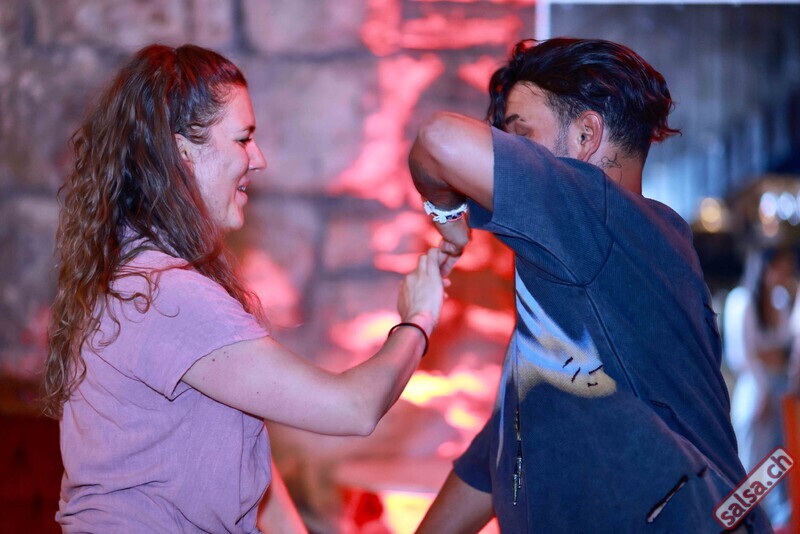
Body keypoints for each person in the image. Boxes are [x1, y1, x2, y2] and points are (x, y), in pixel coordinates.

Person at [43, 43, 445, 533]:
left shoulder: (135, 279)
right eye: (243, 139)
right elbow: (355, 407)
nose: (259, 159)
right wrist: (418, 320)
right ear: (182, 152)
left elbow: (254, 474)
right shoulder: (165, 297)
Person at [409, 38, 771, 532]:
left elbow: (438, 140)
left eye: (520, 136)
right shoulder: (610, 258)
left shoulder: (596, 211)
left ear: (586, 135)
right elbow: (502, 449)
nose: (508, 155)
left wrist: (448, 215)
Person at [726, 247, 797, 528]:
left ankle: (775, 522)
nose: (787, 273)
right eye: (782, 267)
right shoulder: (742, 300)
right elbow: (741, 355)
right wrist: (767, 364)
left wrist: (768, 355)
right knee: (753, 460)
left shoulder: (779, 300)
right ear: (767, 268)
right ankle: (747, 523)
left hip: (779, 390)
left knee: (779, 460)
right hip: (755, 391)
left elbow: (786, 348)